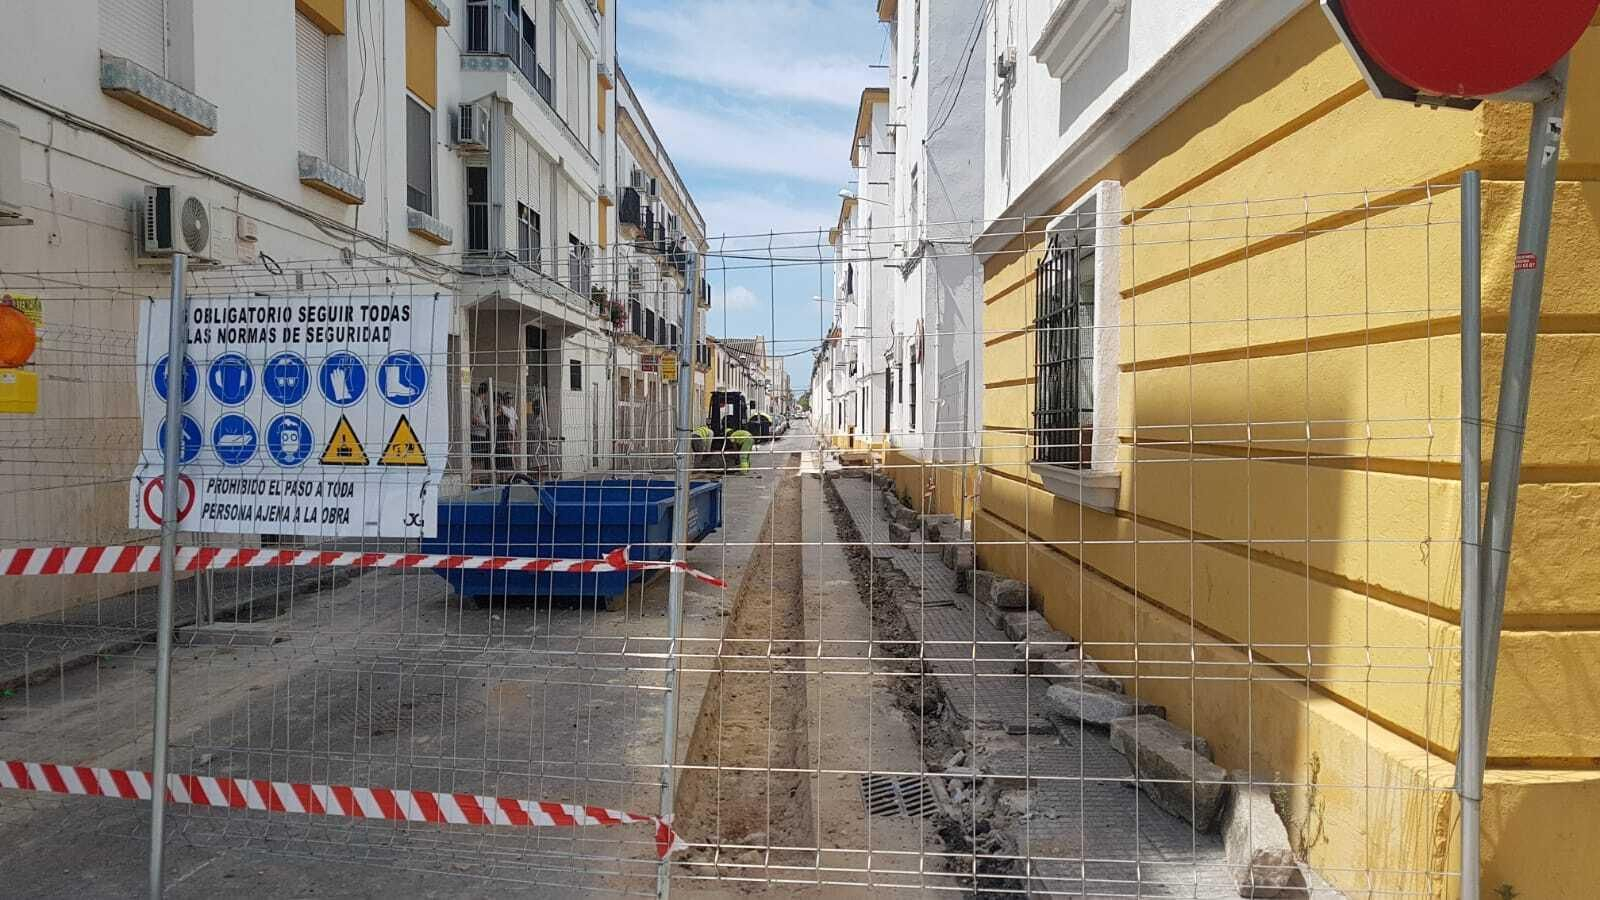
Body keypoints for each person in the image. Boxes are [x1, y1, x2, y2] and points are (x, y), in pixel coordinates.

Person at [470, 383, 491, 481]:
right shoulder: (477, 401)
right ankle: (475, 481)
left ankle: (477, 480)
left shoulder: (479, 401)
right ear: (485, 393)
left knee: (479, 460)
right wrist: (485, 425)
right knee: (476, 460)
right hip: (477, 433)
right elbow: (474, 418)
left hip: (480, 434)